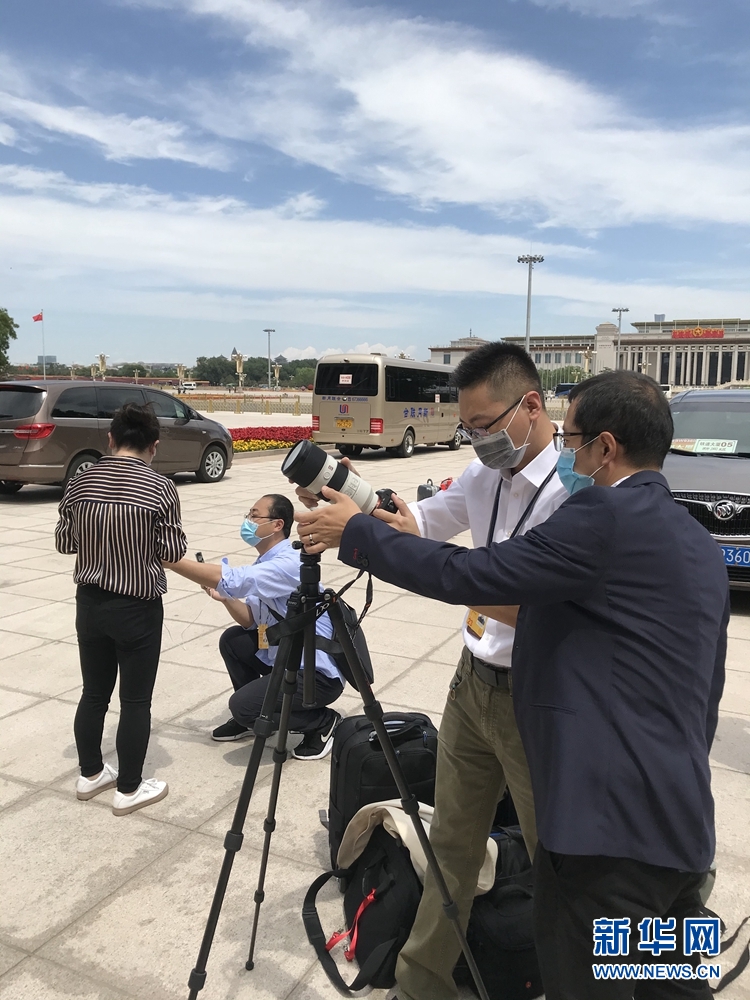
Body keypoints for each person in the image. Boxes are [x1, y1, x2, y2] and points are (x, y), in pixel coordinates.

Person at [296, 371, 729, 999]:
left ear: (606, 447)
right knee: (674, 982)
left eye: (574, 440)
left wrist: (358, 536)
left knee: (590, 983)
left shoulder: (600, 513)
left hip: (604, 841)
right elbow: (705, 693)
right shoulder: (699, 543)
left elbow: (473, 575)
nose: (570, 453)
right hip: (679, 826)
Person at [297, 342, 567, 1000]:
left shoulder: (572, 493)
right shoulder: (484, 474)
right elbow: (418, 524)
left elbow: (527, 602)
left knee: (557, 861)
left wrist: (373, 541)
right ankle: (421, 982)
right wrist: (357, 508)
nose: (477, 440)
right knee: (450, 839)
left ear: (531, 406)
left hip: (536, 698)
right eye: (467, 428)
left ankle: (571, 980)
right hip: (472, 684)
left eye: (486, 424)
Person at [55, 403, 187, 816]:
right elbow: (172, 550)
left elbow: (64, 542)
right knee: (135, 701)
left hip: (90, 602)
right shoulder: (160, 487)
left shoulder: (81, 480)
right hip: (137, 606)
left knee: (94, 692)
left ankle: (90, 774)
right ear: (153, 445)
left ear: (111, 439)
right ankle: (129, 788)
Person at [164, 493, 345, 760]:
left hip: (315, 675)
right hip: (289, 657)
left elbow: (235, 579)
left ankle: (322, 722)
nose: (247, 521)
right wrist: (226, 598)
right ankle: (254, 716)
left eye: (254, 515)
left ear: (277, 525)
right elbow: (251, 620)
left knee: (241, 706)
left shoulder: (288, 564)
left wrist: (169, 561)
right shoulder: (266, 563)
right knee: (233, 640)